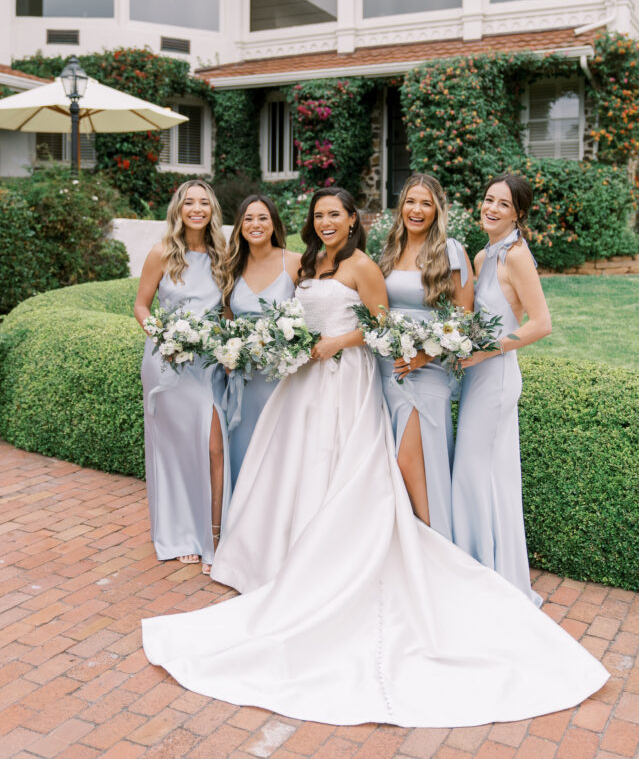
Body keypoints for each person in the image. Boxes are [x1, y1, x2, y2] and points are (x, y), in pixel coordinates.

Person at [142, 185, 607, 728]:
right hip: (314, 382)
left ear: (351, 219)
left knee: (385, 468)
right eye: (318, 215)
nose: (325, 222)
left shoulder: (370, 264)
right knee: (300, 467)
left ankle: (439, 560)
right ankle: (288, 554)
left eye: (335, 214)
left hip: (365, 375)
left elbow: (381, 324)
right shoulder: (310, 261)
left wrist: (343, 344)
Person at [452, 174, 552, 606]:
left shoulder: (516, 256)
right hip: (477, 375)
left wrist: (486, 351)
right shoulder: (482, 255)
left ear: (518, 214)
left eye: (502, 204)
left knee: (476, 473)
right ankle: (480, 567)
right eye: (488, 199)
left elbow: (541, 324)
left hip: (496, 377)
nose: (491, 208)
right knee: (481, 473)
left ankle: (490, 576)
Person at [134, 179, 230, 575]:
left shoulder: (223, 254)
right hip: (168, 364)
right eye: (189, 202)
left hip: (208, 364)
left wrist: (229, 347)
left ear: (212, 210)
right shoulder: (161, 253)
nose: (196, 208)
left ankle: (214, 532)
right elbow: (141, 306)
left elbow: (227, 310)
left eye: (203, 203)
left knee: (212, 448)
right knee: (173, 450)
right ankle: (179, 536)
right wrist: (164, 338)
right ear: (178, 208)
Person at [378, 174, 473, 537]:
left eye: (426, 203)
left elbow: (464, 319)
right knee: (394, 463)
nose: (416, 210)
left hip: (428, 370)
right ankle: (409, 545)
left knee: (412, 461)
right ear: (401, 206)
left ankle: (436, 548)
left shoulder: (451, 250)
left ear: (438, 210)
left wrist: (423, 355)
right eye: (411, 202)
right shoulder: (389, 249)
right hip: (388, 368)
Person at [222, 195, 300, 489]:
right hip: (245, 378)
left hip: (282, 378)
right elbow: (227, 317)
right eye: (248, 218)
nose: (256, 224)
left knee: (281, 452)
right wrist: (229, 355)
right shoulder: (231, 266)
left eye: (263, 218)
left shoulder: (294, 262)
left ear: (274, 223)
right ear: (240, 225)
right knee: (244, 445)